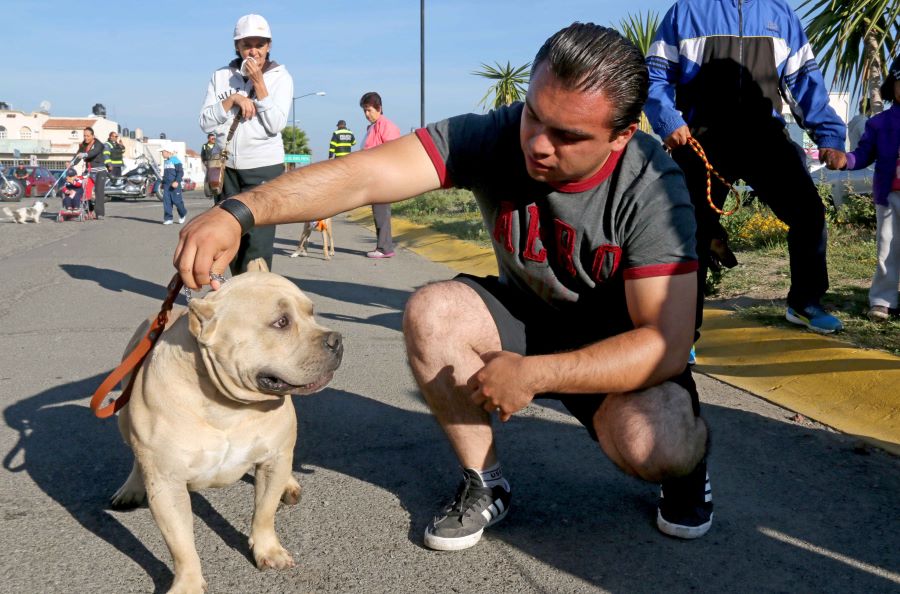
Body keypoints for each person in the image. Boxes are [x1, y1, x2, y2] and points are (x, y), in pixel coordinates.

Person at [175, 23, 712, 549]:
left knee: (655, 443)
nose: (539, 145)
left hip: (615, 348)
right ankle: (485, 482)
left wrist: (537, 374)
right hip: (526, 319)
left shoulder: (652, 188)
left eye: (568, 136)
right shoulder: (496, 136)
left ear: (621, 136)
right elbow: (363, 175)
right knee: (433, 311)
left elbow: (663, 343)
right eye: (534, 116)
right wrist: (240, 211)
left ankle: (686, 473)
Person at [645, 0, 847, 335]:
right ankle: (681, 330)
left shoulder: (780, 15)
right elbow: (657, 73)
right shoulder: (687, 11)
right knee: (689, 230)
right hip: (702, 136)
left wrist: (829, 134)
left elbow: (804, 80)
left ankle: (805, 303)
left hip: (763, 136)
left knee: (809, 213)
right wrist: (668, 120)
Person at [198, 13, 293, 273]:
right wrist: (232, 100)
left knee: (258, 246)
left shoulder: (280, 78)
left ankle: (259, 303)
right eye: (246, 44)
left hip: (263, 167)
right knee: (230, 239)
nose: (253, 51)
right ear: (237, 47)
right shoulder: (220, 76)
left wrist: (260, 85)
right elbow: (205, 122)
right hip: (226, 168)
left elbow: (276, 125)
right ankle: (240, 297)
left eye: (259, 44)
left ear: (269, 45)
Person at [827, 57, 900, 322]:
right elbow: (863, 154)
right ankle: (883, 300)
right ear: (893, 86)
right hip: (889, 199)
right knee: (887, 249)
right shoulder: (878, 124)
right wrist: (844, 159)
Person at [360, 92, 401, 258]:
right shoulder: (372, 127)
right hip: (374, 176)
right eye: (364, 110)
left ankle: (385, 248)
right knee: (378, 213)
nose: (366, 114)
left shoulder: (387, 126)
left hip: (383, 177)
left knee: (382, 213)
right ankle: (382, 246)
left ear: (379, 108)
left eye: (369, 110)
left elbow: (393, 152)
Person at [76, 127, 107, 219]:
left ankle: (100, 213)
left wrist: (85, 154)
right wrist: (71, 163)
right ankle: (89, 210)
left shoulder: (99, 144)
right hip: (89, 171)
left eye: (88, 136)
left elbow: (94, 152)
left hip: (100, 171)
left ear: (93, 136)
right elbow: (77, 156)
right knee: (85, 192)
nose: (86, 138)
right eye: (84, 136)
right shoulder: (83, 145)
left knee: (99, 192)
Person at [160, 149, 187, 225]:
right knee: (167, 202)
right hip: (166, 185)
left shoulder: (175, 160)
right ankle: (168, 218)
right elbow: (166, 174)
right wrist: (163, 182)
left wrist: (177, 181)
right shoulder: (165, 161)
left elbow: (180, 172)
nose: (162, 154)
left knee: (177, 201)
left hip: (175, 185)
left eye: (163, 152)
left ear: (168, 152)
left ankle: (182, 214)